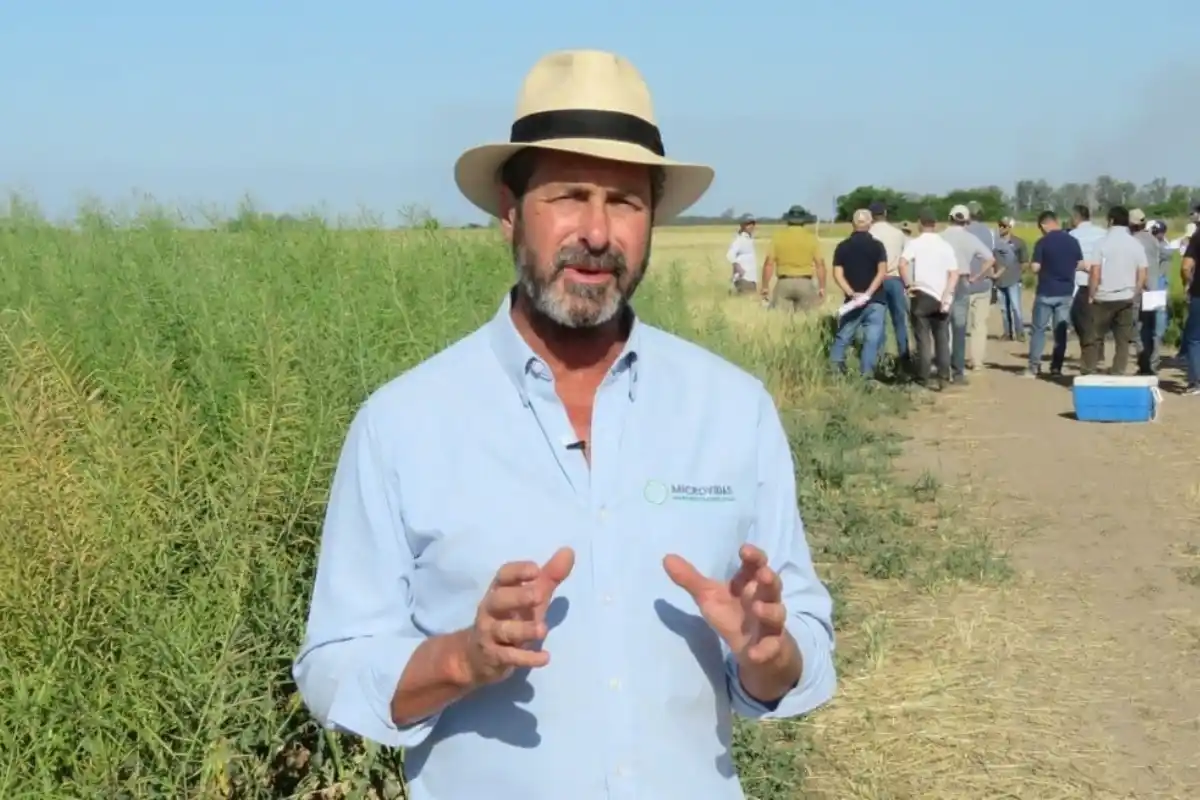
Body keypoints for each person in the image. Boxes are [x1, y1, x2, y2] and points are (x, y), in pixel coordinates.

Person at [292, 49, 836, 800]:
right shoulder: (404, 423)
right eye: (569, 197)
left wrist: (769, 656)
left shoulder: (732, 409)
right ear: (510, 212)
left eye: (625, 202)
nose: (597, 232)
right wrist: (462, 659)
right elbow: (332, 666)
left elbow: (804, 636)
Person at [1080, 206, 1147, 376]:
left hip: (1103, 297)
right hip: (1126, 297)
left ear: (1110, 221)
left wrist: (1091, 294)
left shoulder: (1101, 243)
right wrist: (1135, 293)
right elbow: (1142, 273)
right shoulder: (1136, 244)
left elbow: (1095, 272)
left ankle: (1088, 371)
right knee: (1122, 340)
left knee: (1093, 337)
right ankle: (1118, 372)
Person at [898, 208, 958, 390]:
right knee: (942, 338)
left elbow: (902, 264)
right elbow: (954, 273)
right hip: (941, 297)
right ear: (935, 224)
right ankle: (943, 376)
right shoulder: (945, 245)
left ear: (920, 223)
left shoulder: (915, 243)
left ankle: (923, 377)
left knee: (923, 339)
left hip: (922, 294)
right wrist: (947, 294)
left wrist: (908, 285)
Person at [940, 204, 996, 385]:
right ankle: (958, 372)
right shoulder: (970, 238)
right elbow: (990, 259)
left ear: (949, 218)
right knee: (960, 327)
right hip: (963, 280)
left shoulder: (941, 237)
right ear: (967, 220)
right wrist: (977, 276)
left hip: (943, 281)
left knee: (942, 325)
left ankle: (943, 368)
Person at [830, 209, 888, 376]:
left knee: (844, 335)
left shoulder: (842, 247)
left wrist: (852, 293)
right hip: (876, 299)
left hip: (852, 301)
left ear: (853, 224)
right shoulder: (878, 246)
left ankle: (835, 371)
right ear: (870, 223)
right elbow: (882, 272)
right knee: (872, 339)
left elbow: (837, 274)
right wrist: (868, 293)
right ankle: (867, 374)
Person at [1025, 210, 1083, 378]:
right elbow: (1080, 264)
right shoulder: (1073, 241)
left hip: (1046, 291)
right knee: (1060, 332)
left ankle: (1034, 367)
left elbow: (1035, 267)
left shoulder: (1042, 242)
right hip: (1065, 292)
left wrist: (1032, 266)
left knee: (1038, 330)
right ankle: (1056, 367)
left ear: (1044, 225)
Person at [961, 200, 1010, 371]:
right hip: (983, 283)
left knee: (958, 324)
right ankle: (977, 361)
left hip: (962, 283)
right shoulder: (991, 233)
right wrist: (996, 273)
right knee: (979, 325)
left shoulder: (961, 231)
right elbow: (1008, 254)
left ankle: (956, 360)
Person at [866, 200, 912, 365]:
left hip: (875, 281)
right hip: (895, 279)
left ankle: (880, 358)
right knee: (899, 320)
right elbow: (907, 257)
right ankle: (904, 357)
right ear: (885, 214)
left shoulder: (868, 234)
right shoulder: (898, 233)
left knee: (878, 321)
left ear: (871, 216)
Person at [761, 205, 826, 312]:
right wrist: (822, 287)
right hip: (805, 283)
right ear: (804, 220)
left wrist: (765, 286)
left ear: (788, 220)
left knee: (780, 318)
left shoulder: (778, 237)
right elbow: (820, 265)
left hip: (783, 283)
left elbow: (769, 263)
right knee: (805, 318)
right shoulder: (811, 238)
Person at [1130, 209, 1172, 375]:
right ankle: (1152, 364)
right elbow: (1168, 254)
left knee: (1139, 329)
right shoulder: (1154, 240)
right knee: (1153, 330)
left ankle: (1144, 365)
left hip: (1141, 288)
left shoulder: (1133, 240)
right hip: (1155, 290)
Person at [1069, 204, 1107, 357]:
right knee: (1099, 317)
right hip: (1102, 281)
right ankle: (1099, 349)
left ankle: (1088, 349)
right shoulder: (1103, 233)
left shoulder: (1072, 235)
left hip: (1080, 283)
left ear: (1076, 217)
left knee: (1081, 319)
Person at [994, 216, 1029, 341]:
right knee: (1004, 308)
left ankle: (1020, 332)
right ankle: (1007, 333)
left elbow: (1025, 262)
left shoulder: (1018, 242)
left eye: (1003, 226)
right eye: (1000, 225)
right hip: (999, 280)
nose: (1001, 228)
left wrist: (1018, 274)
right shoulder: (995, 243)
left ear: (1009, 227)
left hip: (1013, 280)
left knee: (1016, 307)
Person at [1182, 233, 1200, 394]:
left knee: (1195, 339)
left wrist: (1190, 283)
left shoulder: (1197, 236)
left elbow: (1186, 267)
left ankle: (1196, 381)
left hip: (1199, 294)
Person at [726, 213, 758, 294]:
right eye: (748, 224)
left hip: (751, 278)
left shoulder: (749, 239)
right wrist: (737, 267)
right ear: (742, 225)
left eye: (752, 223)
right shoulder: (740, 239)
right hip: (744, 279)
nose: (751, 226)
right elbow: (730, 254)